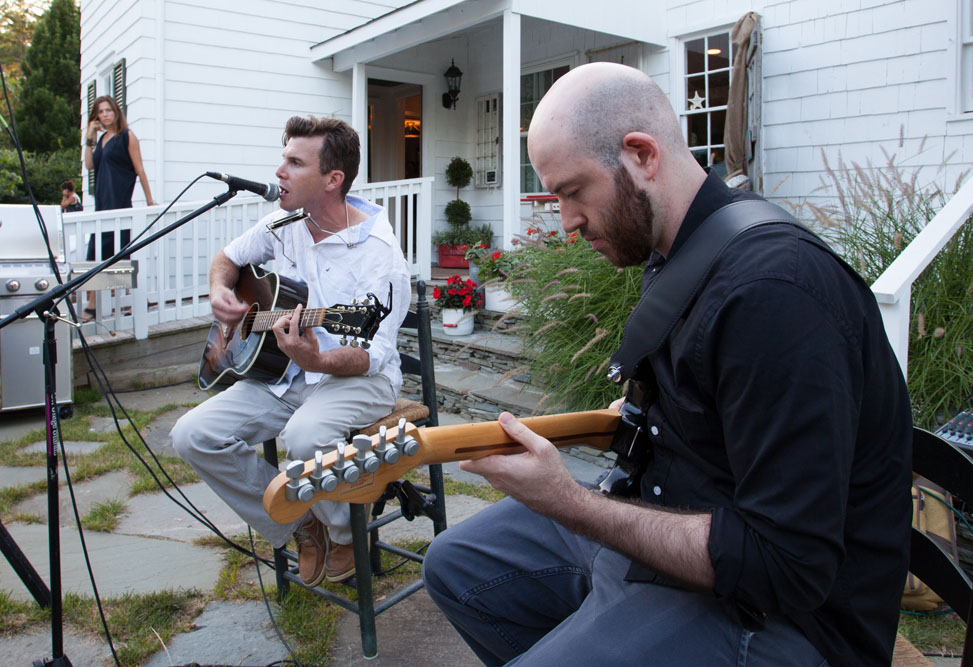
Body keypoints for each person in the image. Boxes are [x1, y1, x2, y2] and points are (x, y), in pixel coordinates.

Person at [422, 62, 912, 667]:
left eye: (573, 192)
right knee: (455, 564)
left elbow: (786, 566)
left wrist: (569, 501)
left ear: (641, 155)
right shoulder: (680, 247)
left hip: (785, 619)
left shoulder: (773, 296)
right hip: (677, 512)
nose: (566, 222)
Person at [171, 116, 410, 586]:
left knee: (303, 436)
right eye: (283, 158)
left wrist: (316, 359)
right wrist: (222, 292)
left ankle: (343, 535)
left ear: (332, 179)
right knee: (191, 435)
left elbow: (371, 355)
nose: (279, 170)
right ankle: (299, 524)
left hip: (356, 379)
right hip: (283, 374)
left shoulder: (380, 255)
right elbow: (228, 259)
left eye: (294, 162)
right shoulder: (282, 224)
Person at [82, 95, 155, 321]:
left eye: (107, 110)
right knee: (95, 256)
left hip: (119, 204)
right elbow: (89, 164)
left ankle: (116, 303)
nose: (104, 115)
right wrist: (89, 137)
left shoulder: (127, 137)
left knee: (122, 256)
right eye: (100, 112)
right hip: (102, 207)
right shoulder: (101, 139)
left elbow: (140, 169)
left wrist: (150, 200)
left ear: (116, 112)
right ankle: (95, 302)